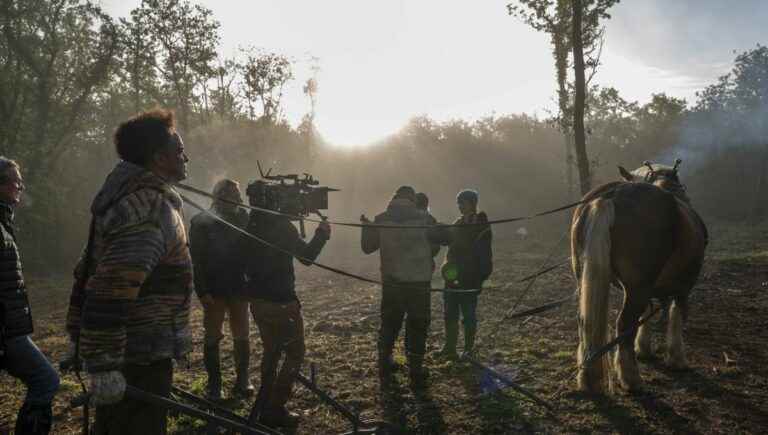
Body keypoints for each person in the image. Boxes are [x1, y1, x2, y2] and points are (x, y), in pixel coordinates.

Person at [65, 109, 193, 435]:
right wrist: (105, 365)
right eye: (179, 151)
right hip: (138, 357)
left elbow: (90, 270)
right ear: (158, 158)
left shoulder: (132, 199)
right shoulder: (148, 209)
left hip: (137, 353)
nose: (186, 157)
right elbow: (111, 289)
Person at [242, 181, 331, 428]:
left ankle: (263, 403)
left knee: (271, 352)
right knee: (294, 353)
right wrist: (322, 234)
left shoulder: (249, 223)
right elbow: (307, 258)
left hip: (257, 301)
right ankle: (275, 408)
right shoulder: (282, 227)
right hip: (281, 301)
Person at [361, 186, 449, 389]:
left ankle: (384, 364)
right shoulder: (425, 219)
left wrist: (367, 226)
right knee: (418, 324)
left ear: (394, 198)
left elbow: (367, 248)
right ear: (412, 199)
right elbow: (445, 238)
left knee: (390, 323)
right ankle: (415, 369)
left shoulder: (381, 218)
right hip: (418, 282)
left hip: (392, 282)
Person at [0, 157, 60, 434]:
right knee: (46, 379)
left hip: (10, 330)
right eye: (14, 180)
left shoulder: (4, 225)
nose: (20, 185)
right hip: (7, 333)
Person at [189, 179, 253, 400]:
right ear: (218, 196)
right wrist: (202, 290)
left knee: (242, 333)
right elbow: (197, 260)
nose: (234, 198)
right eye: (229, 193)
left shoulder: (245, 219)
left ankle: (243, 380)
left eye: (236, 194)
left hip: (239, 286)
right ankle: (214, 385)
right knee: (212, 335)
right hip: (214, 288)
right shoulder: (201, 222)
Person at [438, 189, 493, 360]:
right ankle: (450, 347)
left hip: (470, 278)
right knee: (450, 313)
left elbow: (485, 254)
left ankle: (468, 349)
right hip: (452, 277)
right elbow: (450, 247)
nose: (460, 206)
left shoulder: (482, 226)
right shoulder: (457, 223)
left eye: (462, 203)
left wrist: (480, 277)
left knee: (468, 315)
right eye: (458, 203)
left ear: (472, 204)